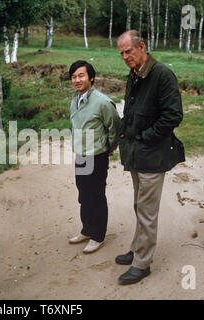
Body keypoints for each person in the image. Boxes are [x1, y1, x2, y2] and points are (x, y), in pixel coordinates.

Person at [115, 30, 185, 285]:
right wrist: (122, 135)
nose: (125, 57)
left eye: (128, 51)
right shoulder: (134, 75)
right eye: (121, 53)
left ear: (142, 46)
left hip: (152, 156)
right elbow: (131, 111)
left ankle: (142, 264)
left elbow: (173, 116)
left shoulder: (162, 75)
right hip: (136, 153)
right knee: (139, 205)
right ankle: (137, 248)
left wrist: (145, 137)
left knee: (146, 211)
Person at [68, 60, 121, 254]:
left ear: (91, 78)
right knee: (83, 194)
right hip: (81, 156)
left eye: (81, 75)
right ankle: (87, 229)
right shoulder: (75, 100)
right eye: (74, 76)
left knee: (96, 196)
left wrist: (109, 148)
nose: (77, 80)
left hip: (97, 156)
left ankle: (98, 236)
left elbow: (115, 127)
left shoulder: (102, 102)